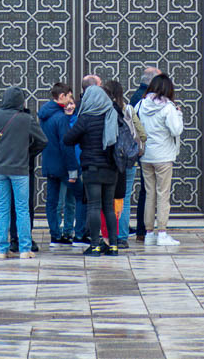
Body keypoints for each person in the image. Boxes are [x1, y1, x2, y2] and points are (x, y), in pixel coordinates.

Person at [0, 86, 47, 259]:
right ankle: (25, 248)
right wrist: (28, 152)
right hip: (20, 169)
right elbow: (43, 140)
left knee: (3, 209)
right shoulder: (26, 119)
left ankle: (1, 250)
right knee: (22, 209)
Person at [64, 82, 121, 257]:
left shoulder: (86, 119)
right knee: (109, 208)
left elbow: (68, 139)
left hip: (92, 168)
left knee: (94, 207)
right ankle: (113, 246)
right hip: (111, 169)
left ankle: (95, 246)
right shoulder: (113, 115)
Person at [134, 72, 183, 247]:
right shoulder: (168, 107)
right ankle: (162, 232)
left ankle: (148, 233)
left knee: (149, 194)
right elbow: (176, 130)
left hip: (146, 155)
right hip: (163, 156)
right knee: (163, 195)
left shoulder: (141, 104)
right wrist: (179, 114)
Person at [105, 78, 145, 249]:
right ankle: (122, 236)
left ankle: (107, 234)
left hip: (109, 160)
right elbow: (142, 134)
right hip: (127, 160)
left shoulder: (103, 110)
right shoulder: (128, 109)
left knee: (106, 198)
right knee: (124, 197)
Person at [39, 82, 79, 248]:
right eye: (68, 96)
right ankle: (76, 233)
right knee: (77, 198)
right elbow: (66, 144)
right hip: (63, 165)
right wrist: (73, 169)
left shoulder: (44, 114)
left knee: (52, 201)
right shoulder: (60, 117)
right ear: (61, 96)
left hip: (49, 162)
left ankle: (55, 235)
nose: (70, 100)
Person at [128, 65, 160, 240]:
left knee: (146, 190)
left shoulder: (138, 97)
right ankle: (144, 229)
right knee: (148, 190)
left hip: (144, 150)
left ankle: (143, 229)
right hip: (148, 150)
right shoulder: (143, 99)